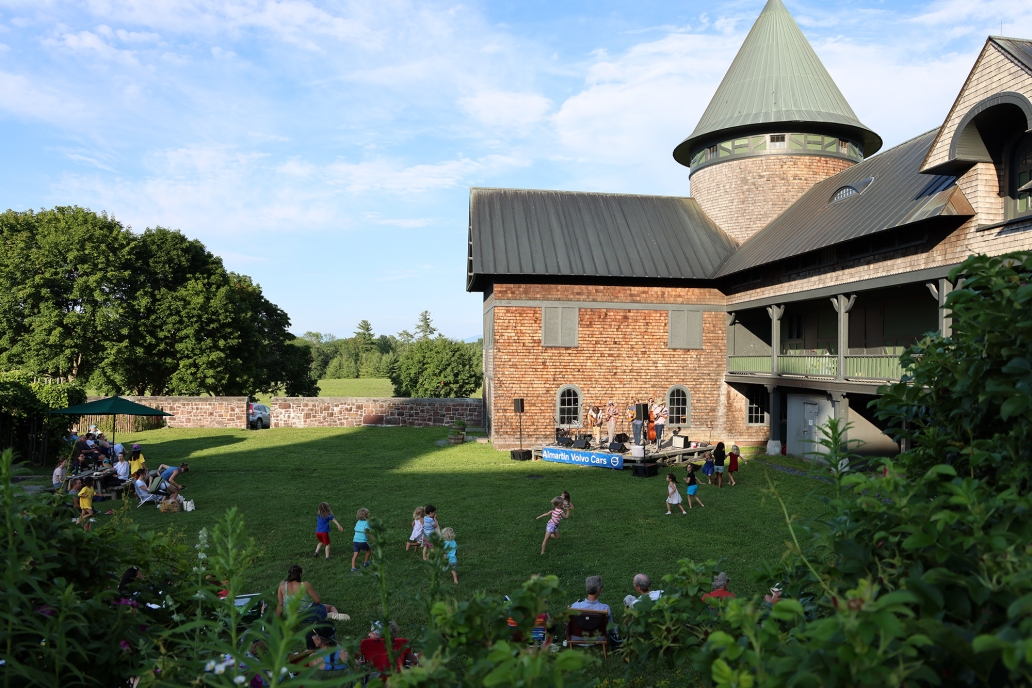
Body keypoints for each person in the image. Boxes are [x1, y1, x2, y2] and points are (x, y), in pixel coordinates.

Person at [276, 564, 345, 619]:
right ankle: (336, 617)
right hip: (307, 614)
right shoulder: (305, 585)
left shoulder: (282, 586)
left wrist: (276, 619)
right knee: (330, 607)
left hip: (292, 616)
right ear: (300, 574)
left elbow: (280, 604)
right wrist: (313, 604)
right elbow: (317, 601)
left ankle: (328, 615)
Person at [570, 575, 614, 639]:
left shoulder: (575, 606)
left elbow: (567, 623)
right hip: (598, 638)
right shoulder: (605, 608)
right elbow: (611, 627)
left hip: (576, 637)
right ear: (598, 590)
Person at [351, 508, 371, 572]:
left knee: (355, 554)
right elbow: (367, 532)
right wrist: (373, 537)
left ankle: (353, 568)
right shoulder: (367, 523)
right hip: (362, 541)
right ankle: (366, 562)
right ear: (366, 515)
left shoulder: (358, 522)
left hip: (355, 541)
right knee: (368, 550)